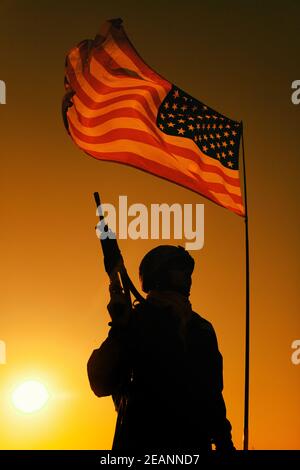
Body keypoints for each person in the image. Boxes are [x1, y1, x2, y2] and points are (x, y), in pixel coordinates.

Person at [87, 245, 235, 451]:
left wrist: (224, 441)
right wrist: (119, 330)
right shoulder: (135, 321)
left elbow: (213, 395)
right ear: (160, 273)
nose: (188, 276)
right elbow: (100, 383)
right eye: (179, 269)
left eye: (188, 271)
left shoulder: (202, 329)